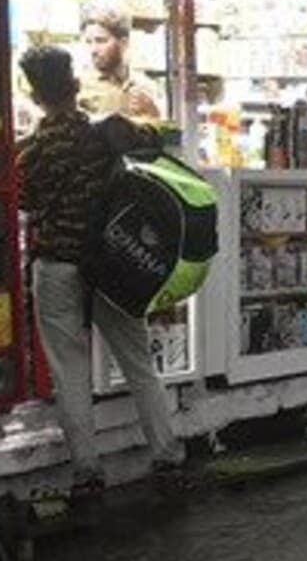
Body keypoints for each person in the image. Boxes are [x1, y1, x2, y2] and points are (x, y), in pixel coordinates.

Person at [17, 46, 183, 501]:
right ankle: (167, 455)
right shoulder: (105, 134)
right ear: (74, 86)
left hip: (57, 266)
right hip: (112, 264)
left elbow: (26, 202)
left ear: (34, 96)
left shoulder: (30, 153)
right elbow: (155, 146)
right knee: (138, 364)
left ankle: (88, 472)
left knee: (70, 371)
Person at [77, 5, 161, 120]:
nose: (93, 50)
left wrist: (152, 111)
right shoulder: (78, 87)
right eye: (88, 42)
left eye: (101, 41)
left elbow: (162, 128)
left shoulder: (146, 86)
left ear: (123, 43)